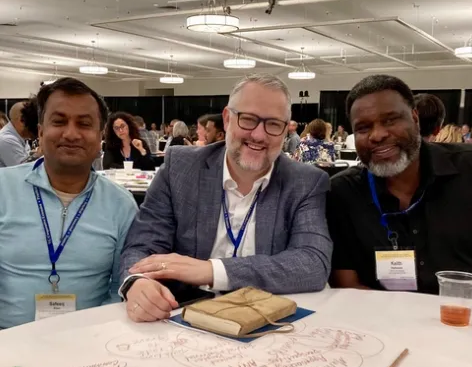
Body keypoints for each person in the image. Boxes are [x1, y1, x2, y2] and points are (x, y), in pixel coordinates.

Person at [119, 73, 332, 323]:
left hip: (266, 321)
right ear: (227, 119)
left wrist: (212, 271)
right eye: (249, 119)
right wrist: (137, 283)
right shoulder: (181, 168)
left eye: (273, 124)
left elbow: (312, 263)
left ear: (286, 130)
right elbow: (143, 246)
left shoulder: (305, 181)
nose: (259, 135)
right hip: (182, 316)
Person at [0, 77, 138, 329]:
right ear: (41, 132)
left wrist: (96, 334)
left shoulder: (121, 204)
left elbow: (122, 284)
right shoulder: (3, 189)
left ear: (100, 137)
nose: (71, 134)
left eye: (84, 124)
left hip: (91, 342)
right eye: (59, 121)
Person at [327, 74, 472, 298]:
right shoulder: (343, 192)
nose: (377, 135)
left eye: (390, 120)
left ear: (415, 119)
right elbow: (348, 287)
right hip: (383, 325)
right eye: (363, 127)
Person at [0, 101, 36, 167]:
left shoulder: (21, 137)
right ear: (22, 120)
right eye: (34, 122)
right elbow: (23, 169)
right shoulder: (7, 140)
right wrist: (39, 153)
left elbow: (25, 157)